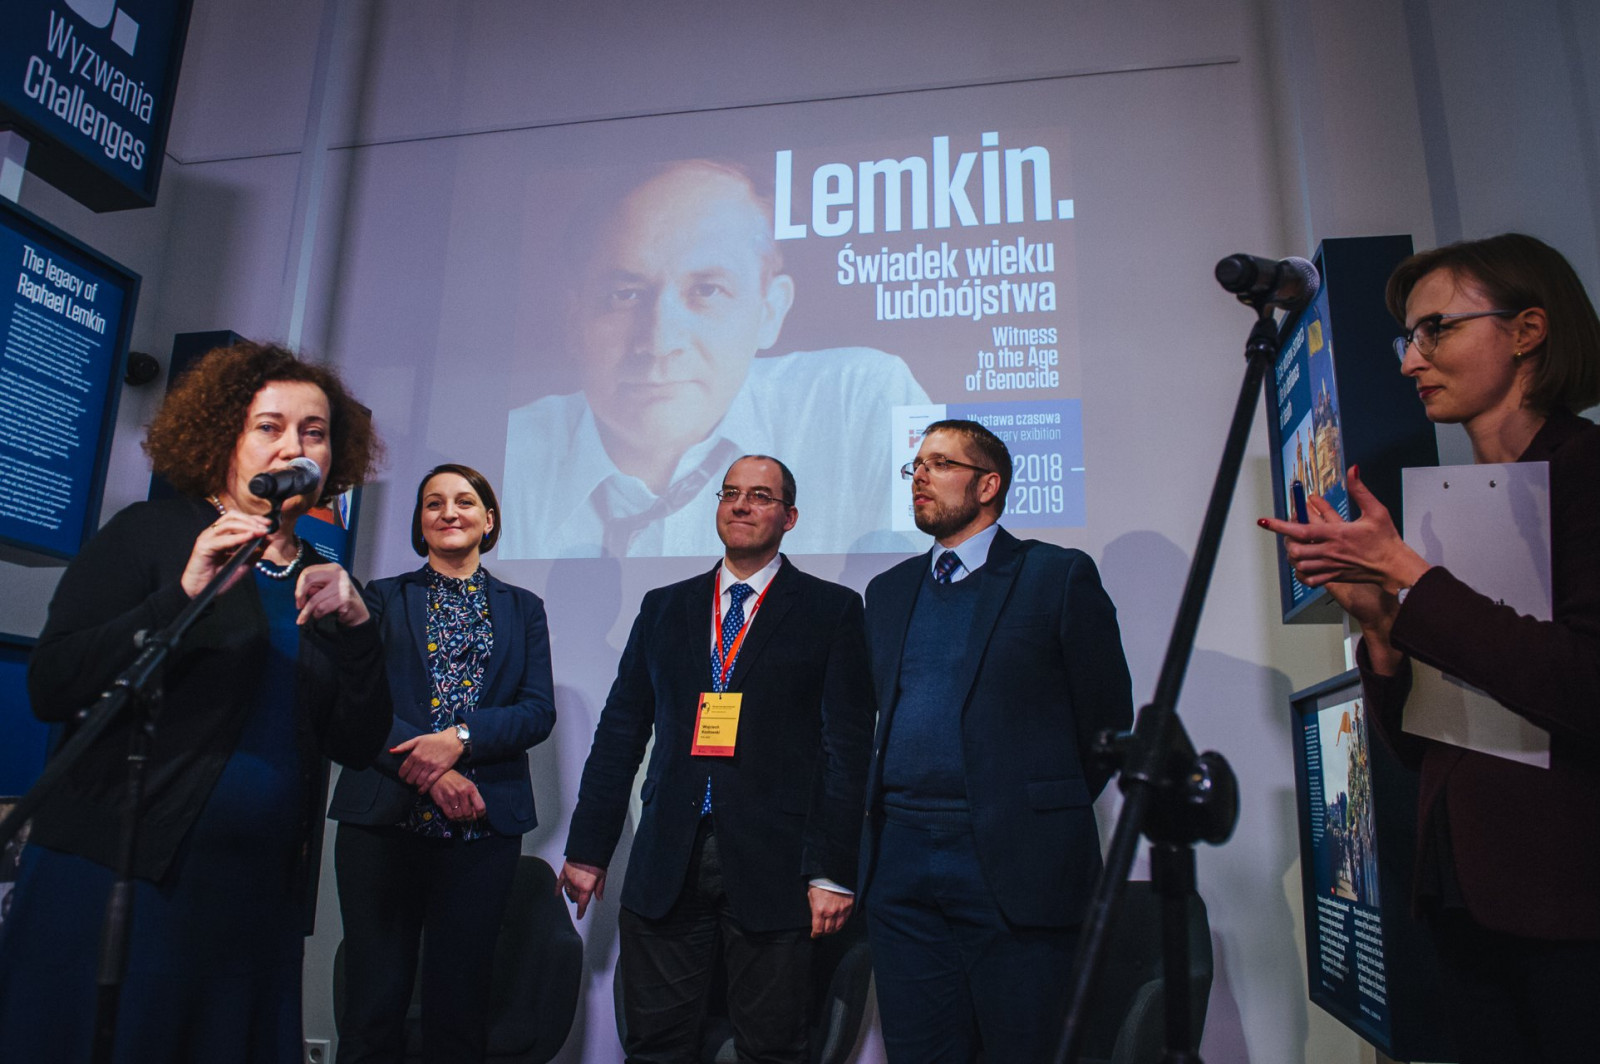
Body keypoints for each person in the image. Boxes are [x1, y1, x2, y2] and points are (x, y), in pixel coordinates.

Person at [1260, 233, 1600, 1062]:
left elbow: (1583, 685)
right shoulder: (1457, 502)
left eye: (1436, 329)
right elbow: (1425, 744)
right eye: (1408, 339)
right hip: (1464, 892)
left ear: (1528, 330)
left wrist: (1412, 575)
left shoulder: (1587, 472)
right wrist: (1381, 630)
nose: (1413, 361)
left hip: (1568, 904)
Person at [0, 340, 390, 1063]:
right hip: (124, 876)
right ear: (224, 438)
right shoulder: (151, 534)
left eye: (314, 432)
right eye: (269, 426)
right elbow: (54, 684)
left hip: (255, 899)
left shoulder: (327, 580)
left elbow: (358, 744)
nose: (294, 446)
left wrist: (363, 632)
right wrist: (181, 592)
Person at [558, 455, 874, 1063]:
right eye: (730, 493)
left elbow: (848, 748)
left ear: (790, 517)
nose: (741, 504)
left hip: (777, 865)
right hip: (669, 860)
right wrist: (588, 850)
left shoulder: (831, 610)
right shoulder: (664, 607)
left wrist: (832, 871)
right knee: (654, 1047)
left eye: (760, 495)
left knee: (772, 1050)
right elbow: (620, 734)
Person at [859, 418, 1134, 1062]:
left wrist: (1031, 806)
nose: (920, 476)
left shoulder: (1056, 576)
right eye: (916, 466)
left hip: (1017, 862)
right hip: (900, 863)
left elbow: (1105, 722)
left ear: (988, 485)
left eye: (940, 464)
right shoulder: (887, 591)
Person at [499, 158, 929, 559]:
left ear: (770, 311)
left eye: (707, 290)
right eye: (624, 295)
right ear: (573, 319)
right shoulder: (515, 455)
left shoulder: (863, 403)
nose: (659, 342)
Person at [328, 464, 556, 1063]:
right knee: (372, 1004)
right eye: (433, 503)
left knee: (460, 1007)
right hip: (382, 823)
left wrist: (460, 739)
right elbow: (354, 701)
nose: (448, 512)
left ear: (489, 520)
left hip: (481, 828)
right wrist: (433, 769)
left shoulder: (524, 609)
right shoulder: (380, 598)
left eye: (464, 501)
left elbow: (537, 711)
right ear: (420, 522)